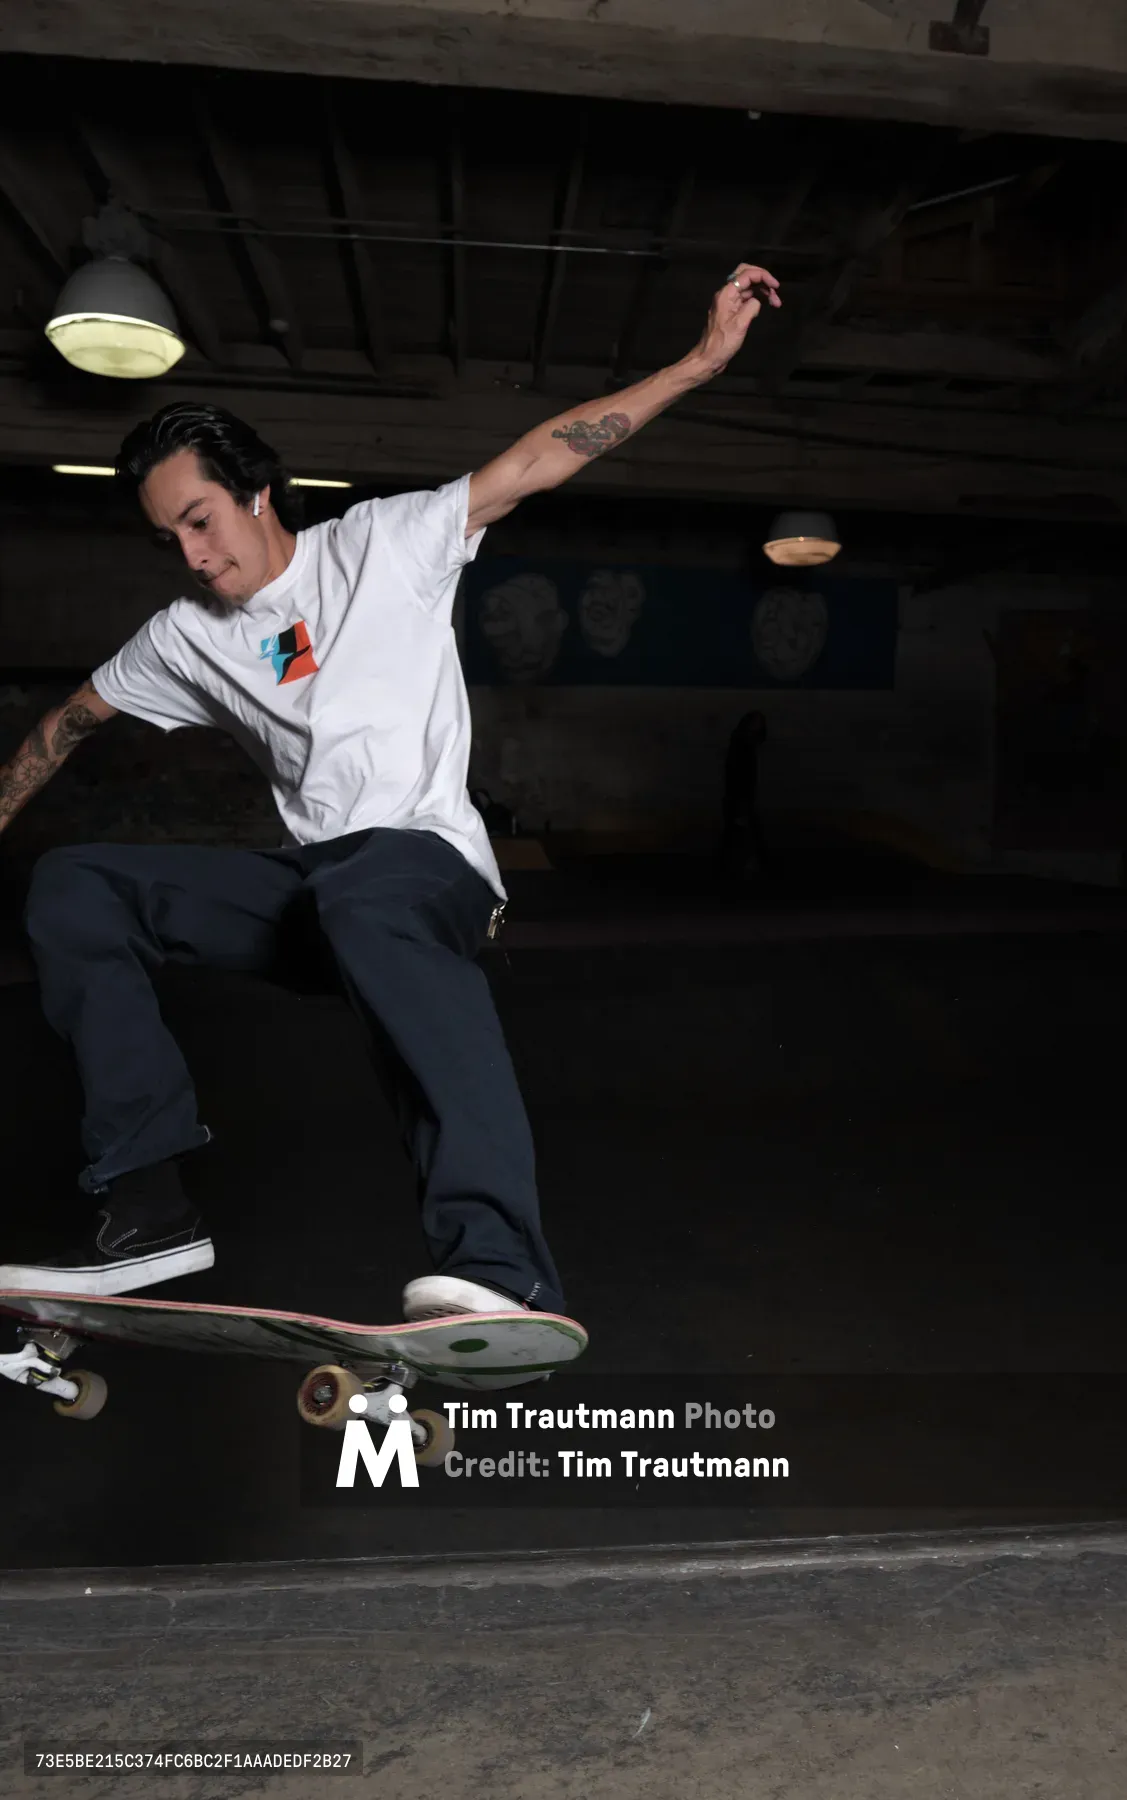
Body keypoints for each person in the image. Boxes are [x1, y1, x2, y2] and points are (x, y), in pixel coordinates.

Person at [0, 262, 781, 1318]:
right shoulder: (182, 637)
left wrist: (697, 364)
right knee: (74, 885)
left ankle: (498, 1266)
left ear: (256, 492)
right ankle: (147, 1212)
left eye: (201, 520)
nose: (192, 556)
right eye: (169, 539)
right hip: (312, 890)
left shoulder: (384, 543)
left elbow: (540, 457)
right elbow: (69, 722)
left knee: (367, 888)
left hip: (428, 870)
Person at [719, 710, 769, 882]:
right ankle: (740, 869)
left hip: (739, 798)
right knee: (743, 834)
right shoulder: (743, 746)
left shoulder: (742, 744)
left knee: (737, 834)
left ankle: (736, 869)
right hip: (740, 798)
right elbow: (738, 775)